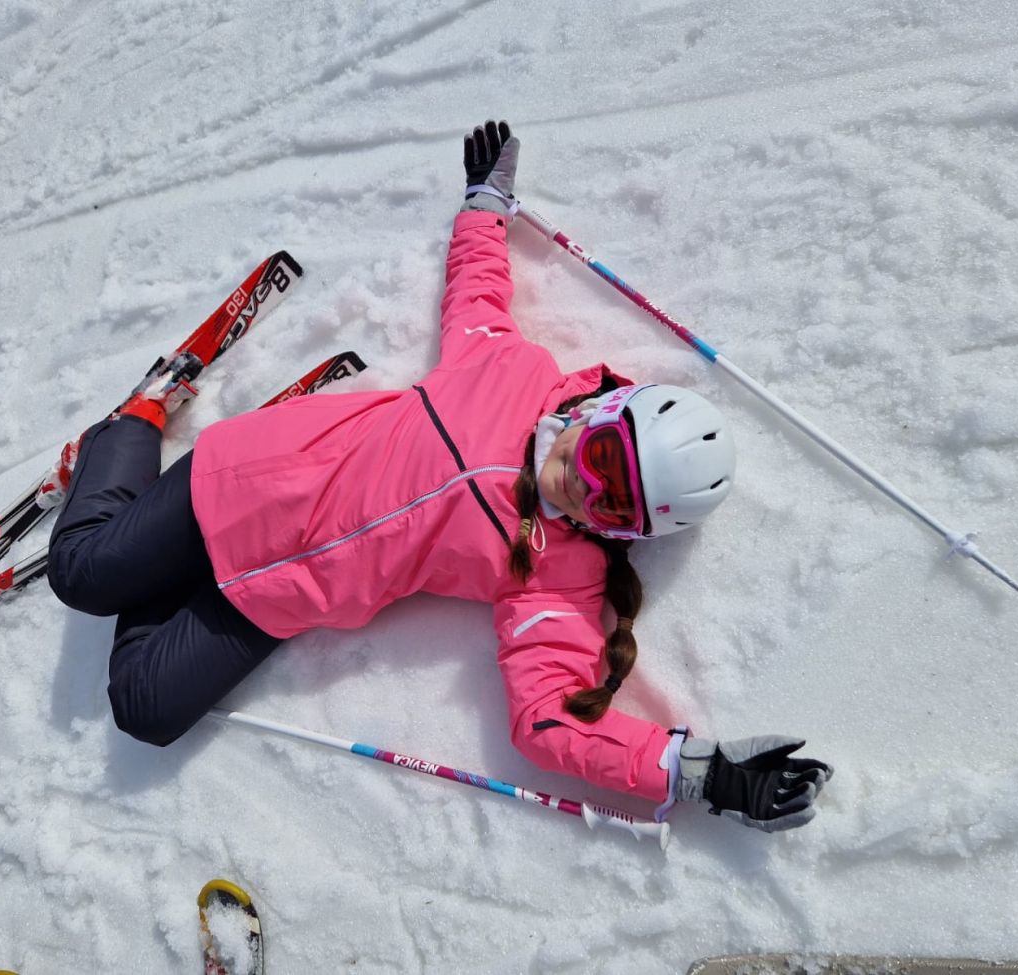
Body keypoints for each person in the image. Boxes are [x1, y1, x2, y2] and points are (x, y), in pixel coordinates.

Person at [47, 121, 832, 833]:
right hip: (242, 483)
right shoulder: (507, 370)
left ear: (629, 531)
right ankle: (134, 424)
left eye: (616, 505)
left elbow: (552, 716)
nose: (585, 489)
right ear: (600, 413)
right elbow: (479, 291)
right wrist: (485, 204)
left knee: (144, 708)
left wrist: (696, 772)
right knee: (82, 574)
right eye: (599, 460)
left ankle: (160, 560)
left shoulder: (560, 575)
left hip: (275, 594)